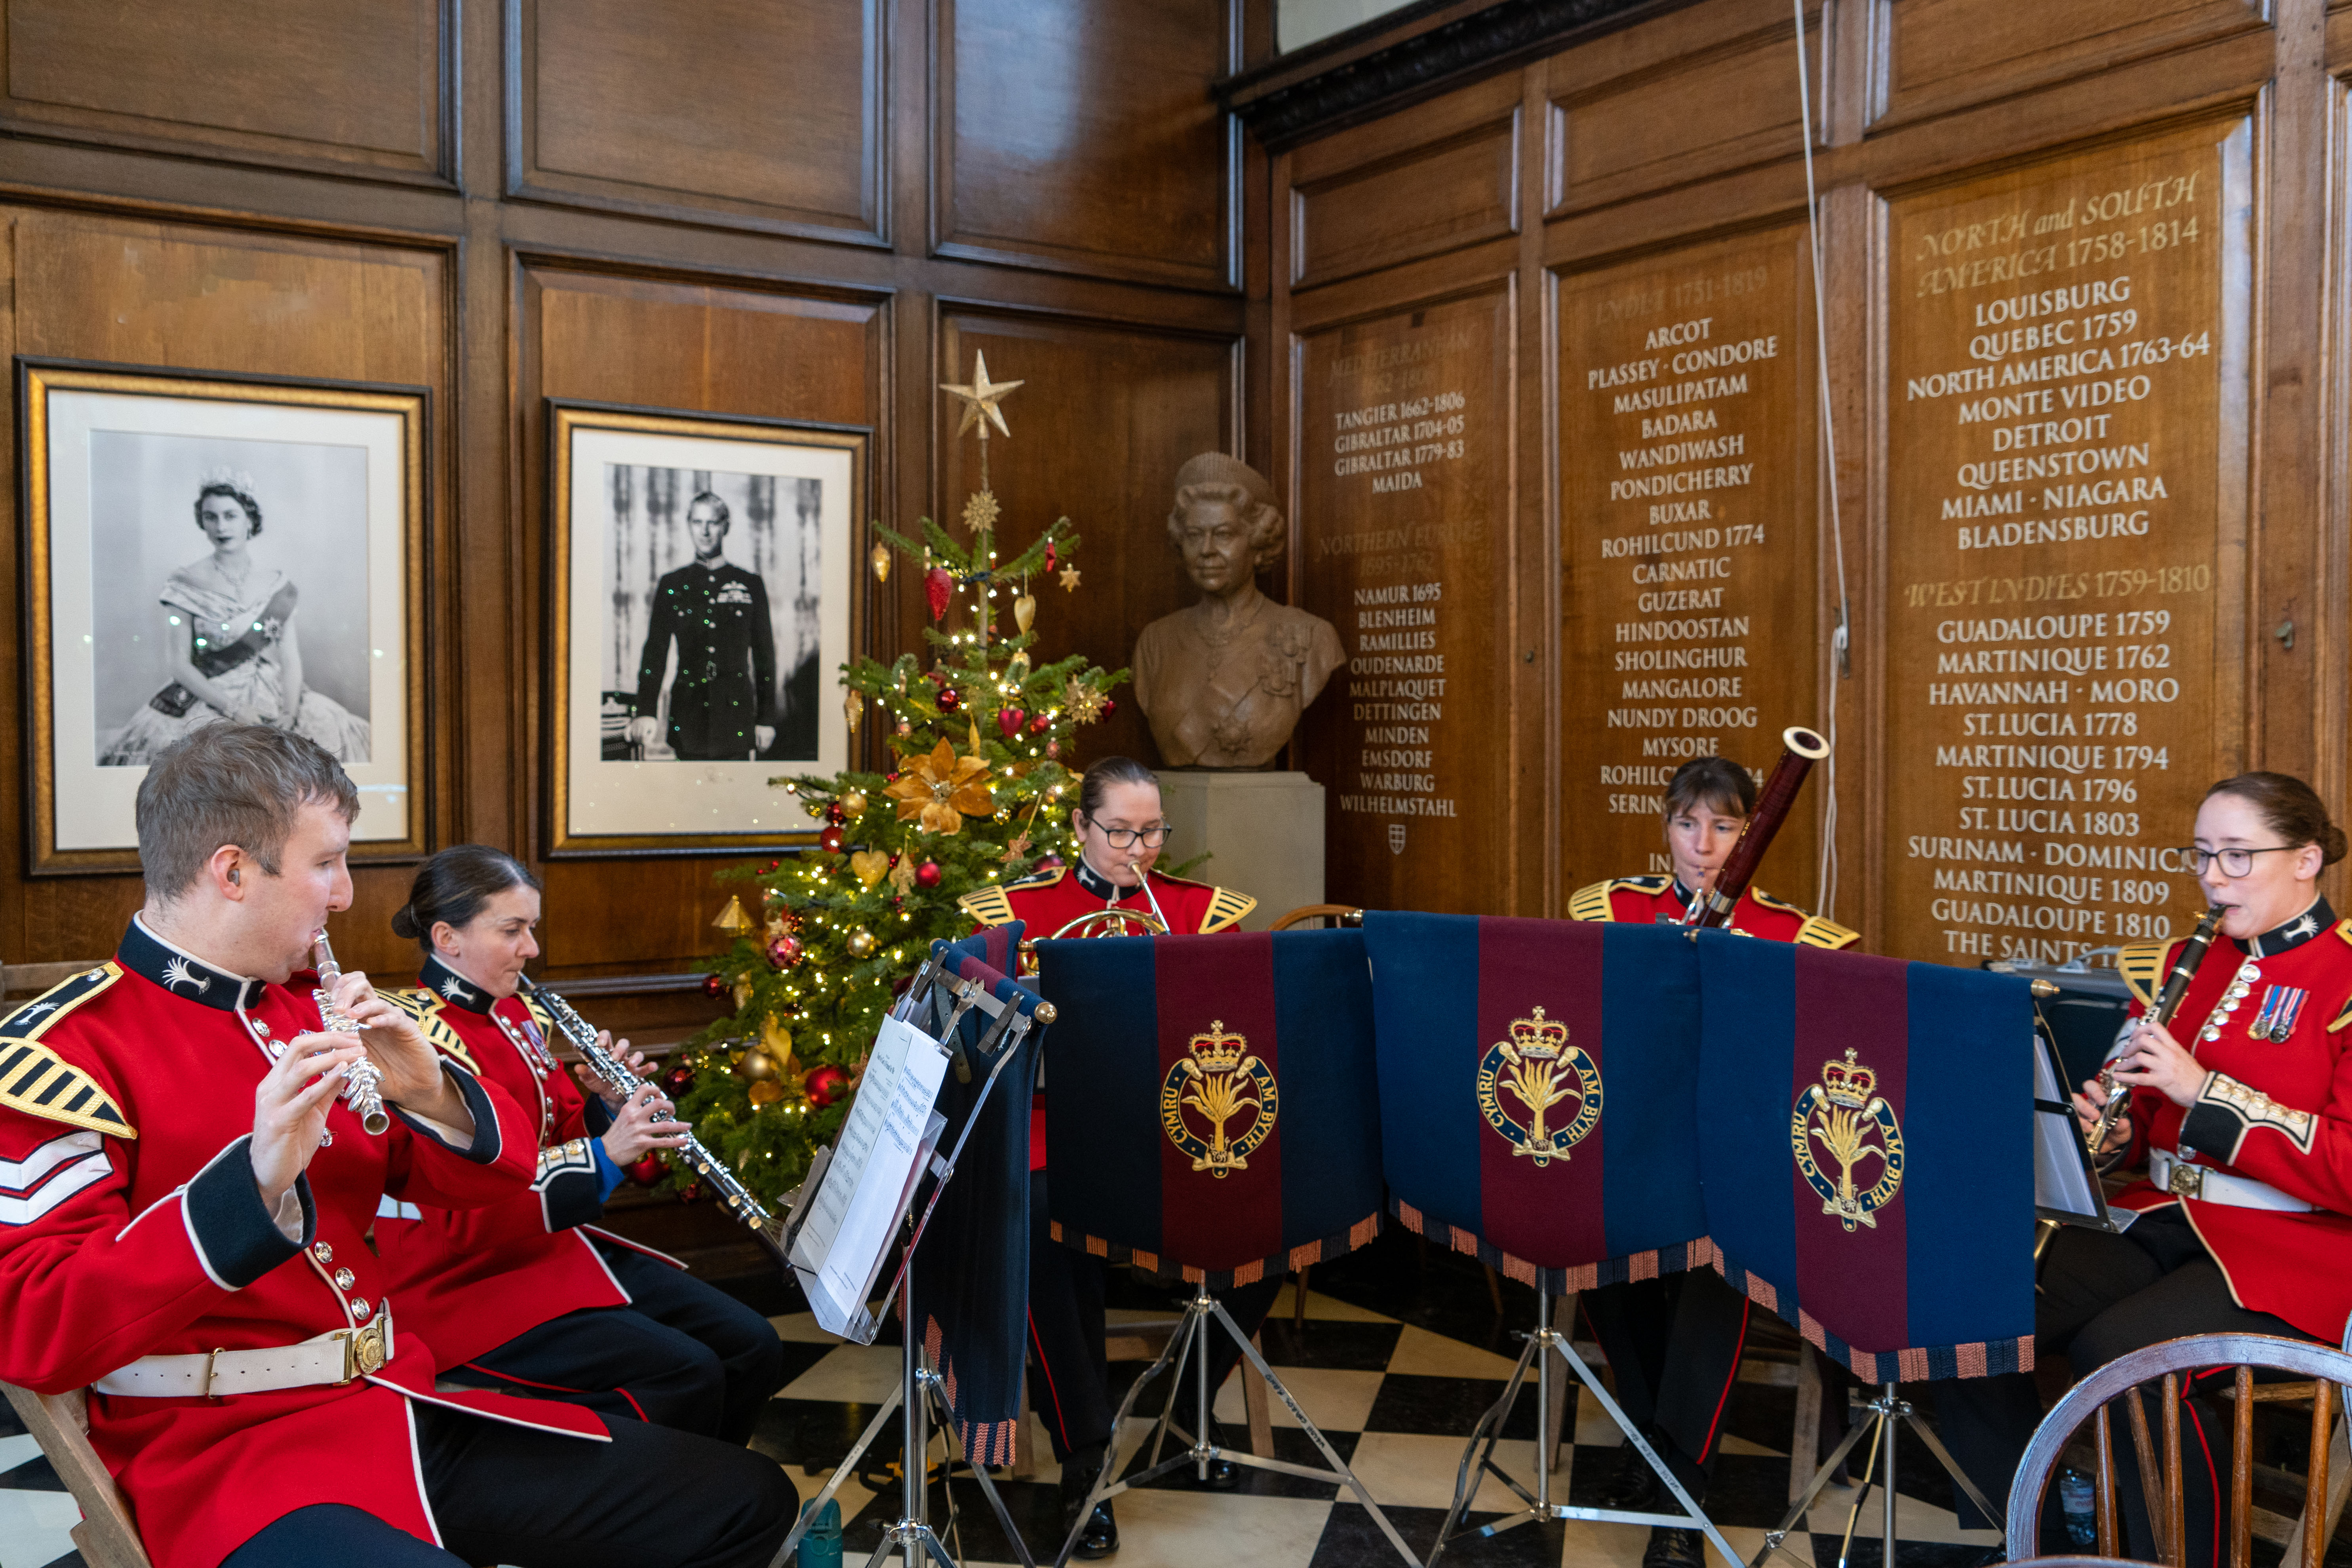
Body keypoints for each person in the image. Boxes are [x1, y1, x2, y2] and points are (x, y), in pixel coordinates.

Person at [0, 723, 792, 1568]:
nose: (345, 895)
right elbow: (35, 1326)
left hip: (391, 1404)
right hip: (223, 1459)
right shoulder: (59, 1055)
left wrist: (431, 1093)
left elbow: (487, 1190)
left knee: (741, 1502)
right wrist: (253, 1183)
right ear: (231, 872)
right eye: (326, 864)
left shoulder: (313, 1007)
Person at [1936, 771, 2352, 1564]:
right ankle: (2043, 1545)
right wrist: (2110, 1130)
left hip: (2296, 1250)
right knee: (1962, 1310)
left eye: (2237, 857)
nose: (2212, 879)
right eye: (2201, 856)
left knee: (2125, 1356)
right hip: (2162, 1218)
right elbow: (2148, 1132)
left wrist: (2205, 1092)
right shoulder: (2175, 967)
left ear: (2306, 860)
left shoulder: (2345, 980)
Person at [373, 845, 789, 1444]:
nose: (532, 950)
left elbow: (558, 1129)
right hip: (460, 1284)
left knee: (753, 1344)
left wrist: (608, 1109)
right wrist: (606, 1155)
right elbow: (463, 1216)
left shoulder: (516, 1017)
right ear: (447, 937)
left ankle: (721, 1512)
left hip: (548, 1251)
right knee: (688, 1373)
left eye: (531, 929)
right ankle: (660, 1514)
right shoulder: (412, 1042)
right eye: (512, 930)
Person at [959, 756, 1265, 1558]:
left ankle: (1180, 1404)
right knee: (1045, 1217)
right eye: (1121, 831)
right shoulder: (1020, 913)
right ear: (1081, 830)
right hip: (1058, 1124)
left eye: (1154, 830)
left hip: (1176, 1127)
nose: (1141, 848)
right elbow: (981, 1036)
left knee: (1285, 1206)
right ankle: (1085, 1460)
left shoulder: (1201, 913)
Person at [1569, 754, 1858, 1568]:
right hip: (1638, 1146)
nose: (1704, 845)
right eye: (1687, 824)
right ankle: (1651, 1436)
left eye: (1725, 825)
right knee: (1593, 1248)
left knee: (1712, 1267)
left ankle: (1679, 1490)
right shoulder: (1614, 912)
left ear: (1752, 831)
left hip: (1742, 1166)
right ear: (1665, 828)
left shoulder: (1795, 937)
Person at [99, 474, 371, 765]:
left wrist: (290, 715)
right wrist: (234, 710)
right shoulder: (187, 581)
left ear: (249, 520)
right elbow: (179, 665)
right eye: (211, 517)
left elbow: (291, 659)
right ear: (202, 523)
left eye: (230, 516)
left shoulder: (276, 585)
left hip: (273, 691)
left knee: (332, 736)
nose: (221, 527)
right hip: (210, 694)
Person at [1130, 453, 1345, 769]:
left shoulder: (1312, 638)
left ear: (1257, 543)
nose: (1206, 550)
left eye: (1224, 534)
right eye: (1194, 536)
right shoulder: (1156, 642)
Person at [627, 489, 780, 761]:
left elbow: (764, 654)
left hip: (736, 714)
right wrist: (646, 710)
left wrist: (766, 718)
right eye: (698, 523)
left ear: (726, 526)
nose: (705, 531)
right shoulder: (672, 584)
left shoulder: (749, 584)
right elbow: (656, 650)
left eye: (713, 523)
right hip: (688, 712)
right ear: (689, 526)